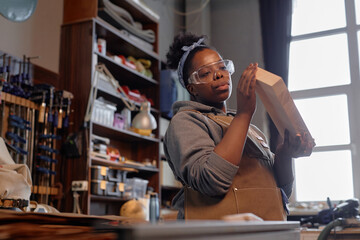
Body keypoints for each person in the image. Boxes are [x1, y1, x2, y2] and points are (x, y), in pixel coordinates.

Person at [164, 32, 314, 220]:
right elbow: (211, 182)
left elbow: (280, 189)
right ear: (191, 87)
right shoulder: (186, 122)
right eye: (205, 73)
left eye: (221, 67)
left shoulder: (251, 130)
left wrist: (285, 154)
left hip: (265, 230)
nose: (218, 74)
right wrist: (244, 114)